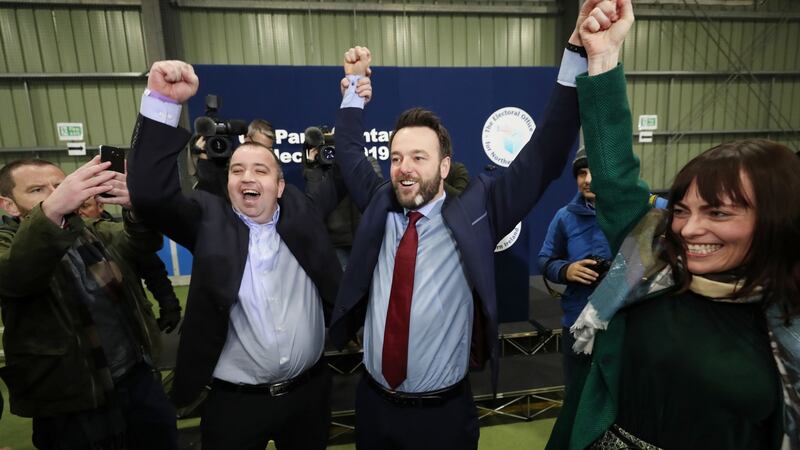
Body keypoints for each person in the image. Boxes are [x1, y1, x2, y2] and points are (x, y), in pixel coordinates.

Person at [327, 2, 608, 445]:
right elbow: (346, 150)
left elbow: (546, 153)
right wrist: (354, 91)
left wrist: (576, 51)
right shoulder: (381, 203)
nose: (404, 168)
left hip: (443, 416)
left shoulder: (479, 210)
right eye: (396, 157)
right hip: (373, 407)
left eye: (419, 158)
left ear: (444, 167)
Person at [547, 1, 800, 449]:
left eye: (719, 213)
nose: (687, 229)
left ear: (776, 224)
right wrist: (603, 57)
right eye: (682, 209)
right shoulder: (651, 255)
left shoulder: (789, 324)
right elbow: (614, 175)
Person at [127, 61, 343, 450]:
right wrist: (162, 101)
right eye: (237, 170)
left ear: (279, 186)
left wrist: (353, 92)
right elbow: (149, 195)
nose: (247, 177)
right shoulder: (208, 221)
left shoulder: (303, 214)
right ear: (227, 183)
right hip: (235, 405)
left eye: (260, 170)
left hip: (309, 397)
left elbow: (346, 172)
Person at [0, 158, 176, 449]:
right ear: (8, 204)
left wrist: (135, 209)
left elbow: (140, 244)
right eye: (36, 190)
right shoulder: (8, 243)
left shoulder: (94, 230)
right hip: (70, 397)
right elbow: (17, 276)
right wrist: (52, 211)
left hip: (135, 379)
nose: (54, 193)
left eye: (59, 185)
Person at [537, 147, 611, 390]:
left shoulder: (629, 214)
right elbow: (545, 259)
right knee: (577, 392)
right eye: (581, 173)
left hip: (621, 321)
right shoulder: (564, 217)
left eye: (594, 172)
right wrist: (566, 270)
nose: (588, 180)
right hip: (578, 320)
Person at [78, 196, 181, 334]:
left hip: (131, 322)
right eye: (75, 209)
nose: (79, 213)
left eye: (84, 207)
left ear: (100, 206)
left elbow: (153, 272)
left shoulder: (124, 235)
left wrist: (169, 305)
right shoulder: (68, 241)